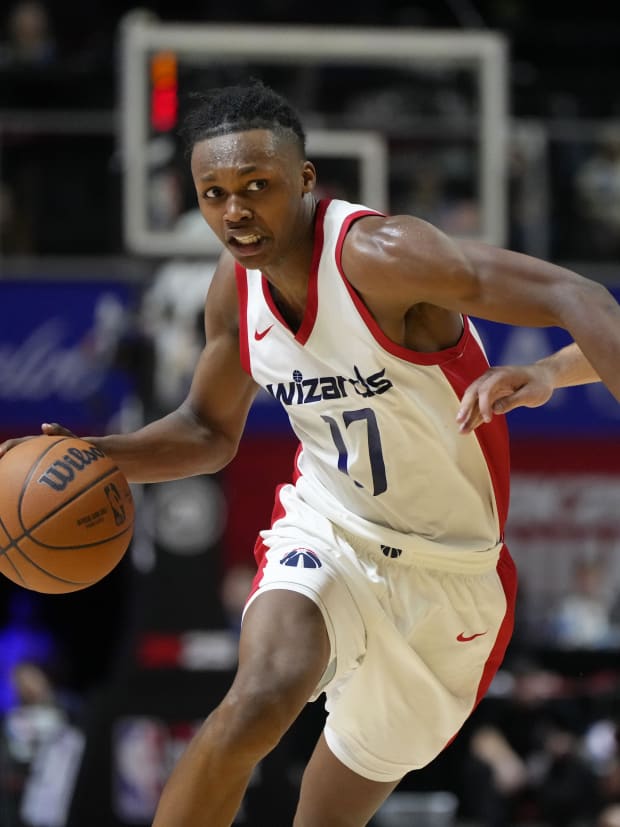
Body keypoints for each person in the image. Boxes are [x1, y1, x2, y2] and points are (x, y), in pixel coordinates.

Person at [1, 80, 620, 827]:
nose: (235, 212)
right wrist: (94, 454)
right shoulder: (235, 289)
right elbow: (206, 429)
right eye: (214, 192)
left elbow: (576, 295)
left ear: (304, 180)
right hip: (329, 530)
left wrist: (551, 371)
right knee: (259, 695)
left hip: (452, 577)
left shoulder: (383, 255)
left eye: (256, 187)